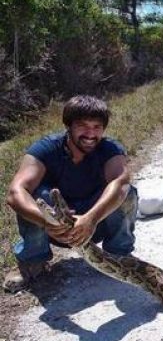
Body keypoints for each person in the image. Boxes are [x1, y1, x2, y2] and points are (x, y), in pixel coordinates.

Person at [2, 95, 138, 292]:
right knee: (34, 196)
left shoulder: (110, 149)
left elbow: (121, 182)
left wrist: (91, 218)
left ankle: (119, 256)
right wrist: (45, 220)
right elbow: (15, 192)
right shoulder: (46, 148)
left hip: (94, 224)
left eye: (97, 127)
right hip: (53, 226)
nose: (91, 134)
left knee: (127, 193)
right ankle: (32, 262)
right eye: (83, 126)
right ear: (69, 126)